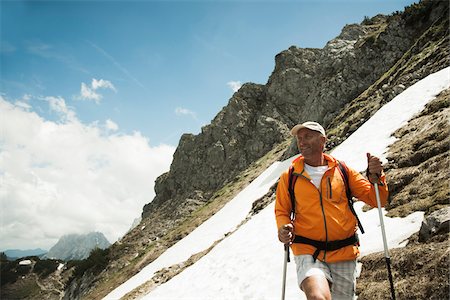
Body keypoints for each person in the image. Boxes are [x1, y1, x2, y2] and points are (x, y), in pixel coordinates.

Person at [275, 121, 389, 300]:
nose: (302, 142)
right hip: (307, 250)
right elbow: (282, 211)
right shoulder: (289, 176)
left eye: (307, 136)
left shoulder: (343, 171)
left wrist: (377, 177)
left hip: (344, 251)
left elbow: (378, 200)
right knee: (318, 297)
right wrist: (283, 228)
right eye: (299, 138)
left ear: (323, 140)